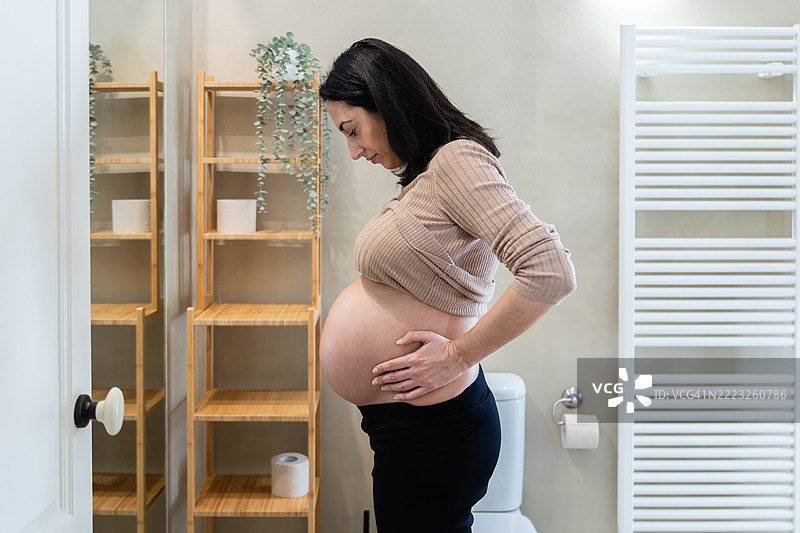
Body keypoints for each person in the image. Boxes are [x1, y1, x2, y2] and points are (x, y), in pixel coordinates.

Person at [318, 38, 576, 533]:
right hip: (410, 428)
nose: (354, 151)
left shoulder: (457, 160)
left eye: (353, 131)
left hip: (433, 431)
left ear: (387, 101)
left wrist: (458, 355)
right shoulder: (430, 176)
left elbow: (549, 269)